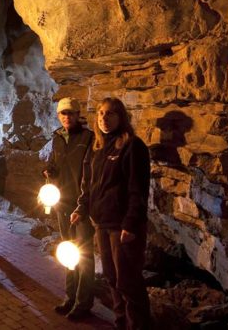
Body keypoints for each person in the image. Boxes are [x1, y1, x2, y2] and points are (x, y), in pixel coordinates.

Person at [71, 97, 152, 330]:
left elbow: (138, 189)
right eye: (101, 114)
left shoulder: (132, 146)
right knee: (112, 278)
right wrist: (82, 208)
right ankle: (121, 322)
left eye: (110, 114)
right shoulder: (96, 147)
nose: (105, 118)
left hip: (121, 226)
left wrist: (131, 224)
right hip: (102, 223)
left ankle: (139, 325)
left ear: (121, 117)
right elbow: (90, 184)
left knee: (128, 281)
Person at [43, 97, 96, 320]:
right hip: (62, 202)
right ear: (59, 116)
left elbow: (92, 173)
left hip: (81, 204)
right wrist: (48, 170)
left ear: (78, 115)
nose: (67, 117)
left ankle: (84, 303)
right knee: (69, 250)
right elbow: (54, 164)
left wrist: (84, 205)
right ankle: (70, 297)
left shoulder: (88, 138)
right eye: (63, 114)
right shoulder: (57, 138)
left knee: (83, 253)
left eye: (71, 113)